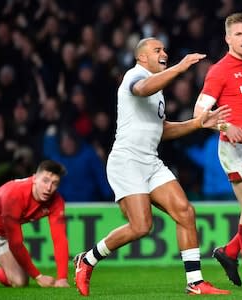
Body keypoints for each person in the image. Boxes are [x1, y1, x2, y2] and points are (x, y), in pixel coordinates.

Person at [73, 37, 231, 296]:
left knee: (185, 212)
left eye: (164, 49)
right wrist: (179, 68)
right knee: (141, 226)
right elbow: (142, 88)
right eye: (157, 50)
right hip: (127, 161)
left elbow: (161, 129)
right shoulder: (133, 77)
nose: (163, 53)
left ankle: (195, 282)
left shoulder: (157, 91)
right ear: (142, 58)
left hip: (150, 161)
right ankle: (88, 259)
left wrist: (197, 123)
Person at [193, 13, 242, 290]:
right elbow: (199, 113)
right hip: (234, 147)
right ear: (228, 38)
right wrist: (226, 126)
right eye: (239, 34)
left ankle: (229, 251)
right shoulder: (219, 71)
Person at [0, 160, 69, 288]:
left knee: (20, 282)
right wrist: (38, 276)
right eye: (45, 181)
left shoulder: (57, 202)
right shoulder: (14, 195)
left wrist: (62, 278)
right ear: (34, 178)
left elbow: (60, 240)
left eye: (54, 183)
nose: (48, 188)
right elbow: (16, 243)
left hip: (4, 233)